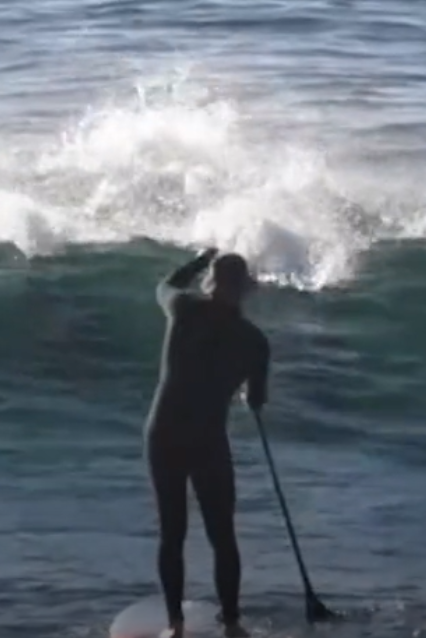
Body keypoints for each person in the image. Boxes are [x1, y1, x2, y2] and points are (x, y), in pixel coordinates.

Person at [144, 247, 269, 638]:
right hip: (207, 441)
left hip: (164, 434)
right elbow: (257, 399)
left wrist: (199, 259)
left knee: (172, 533)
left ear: (211, 283)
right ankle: (232, 624)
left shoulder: (183, 308)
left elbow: (164, 286)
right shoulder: (254, 343)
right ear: (244, 290)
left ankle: (175, 627)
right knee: (222, 535)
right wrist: (248, 395)